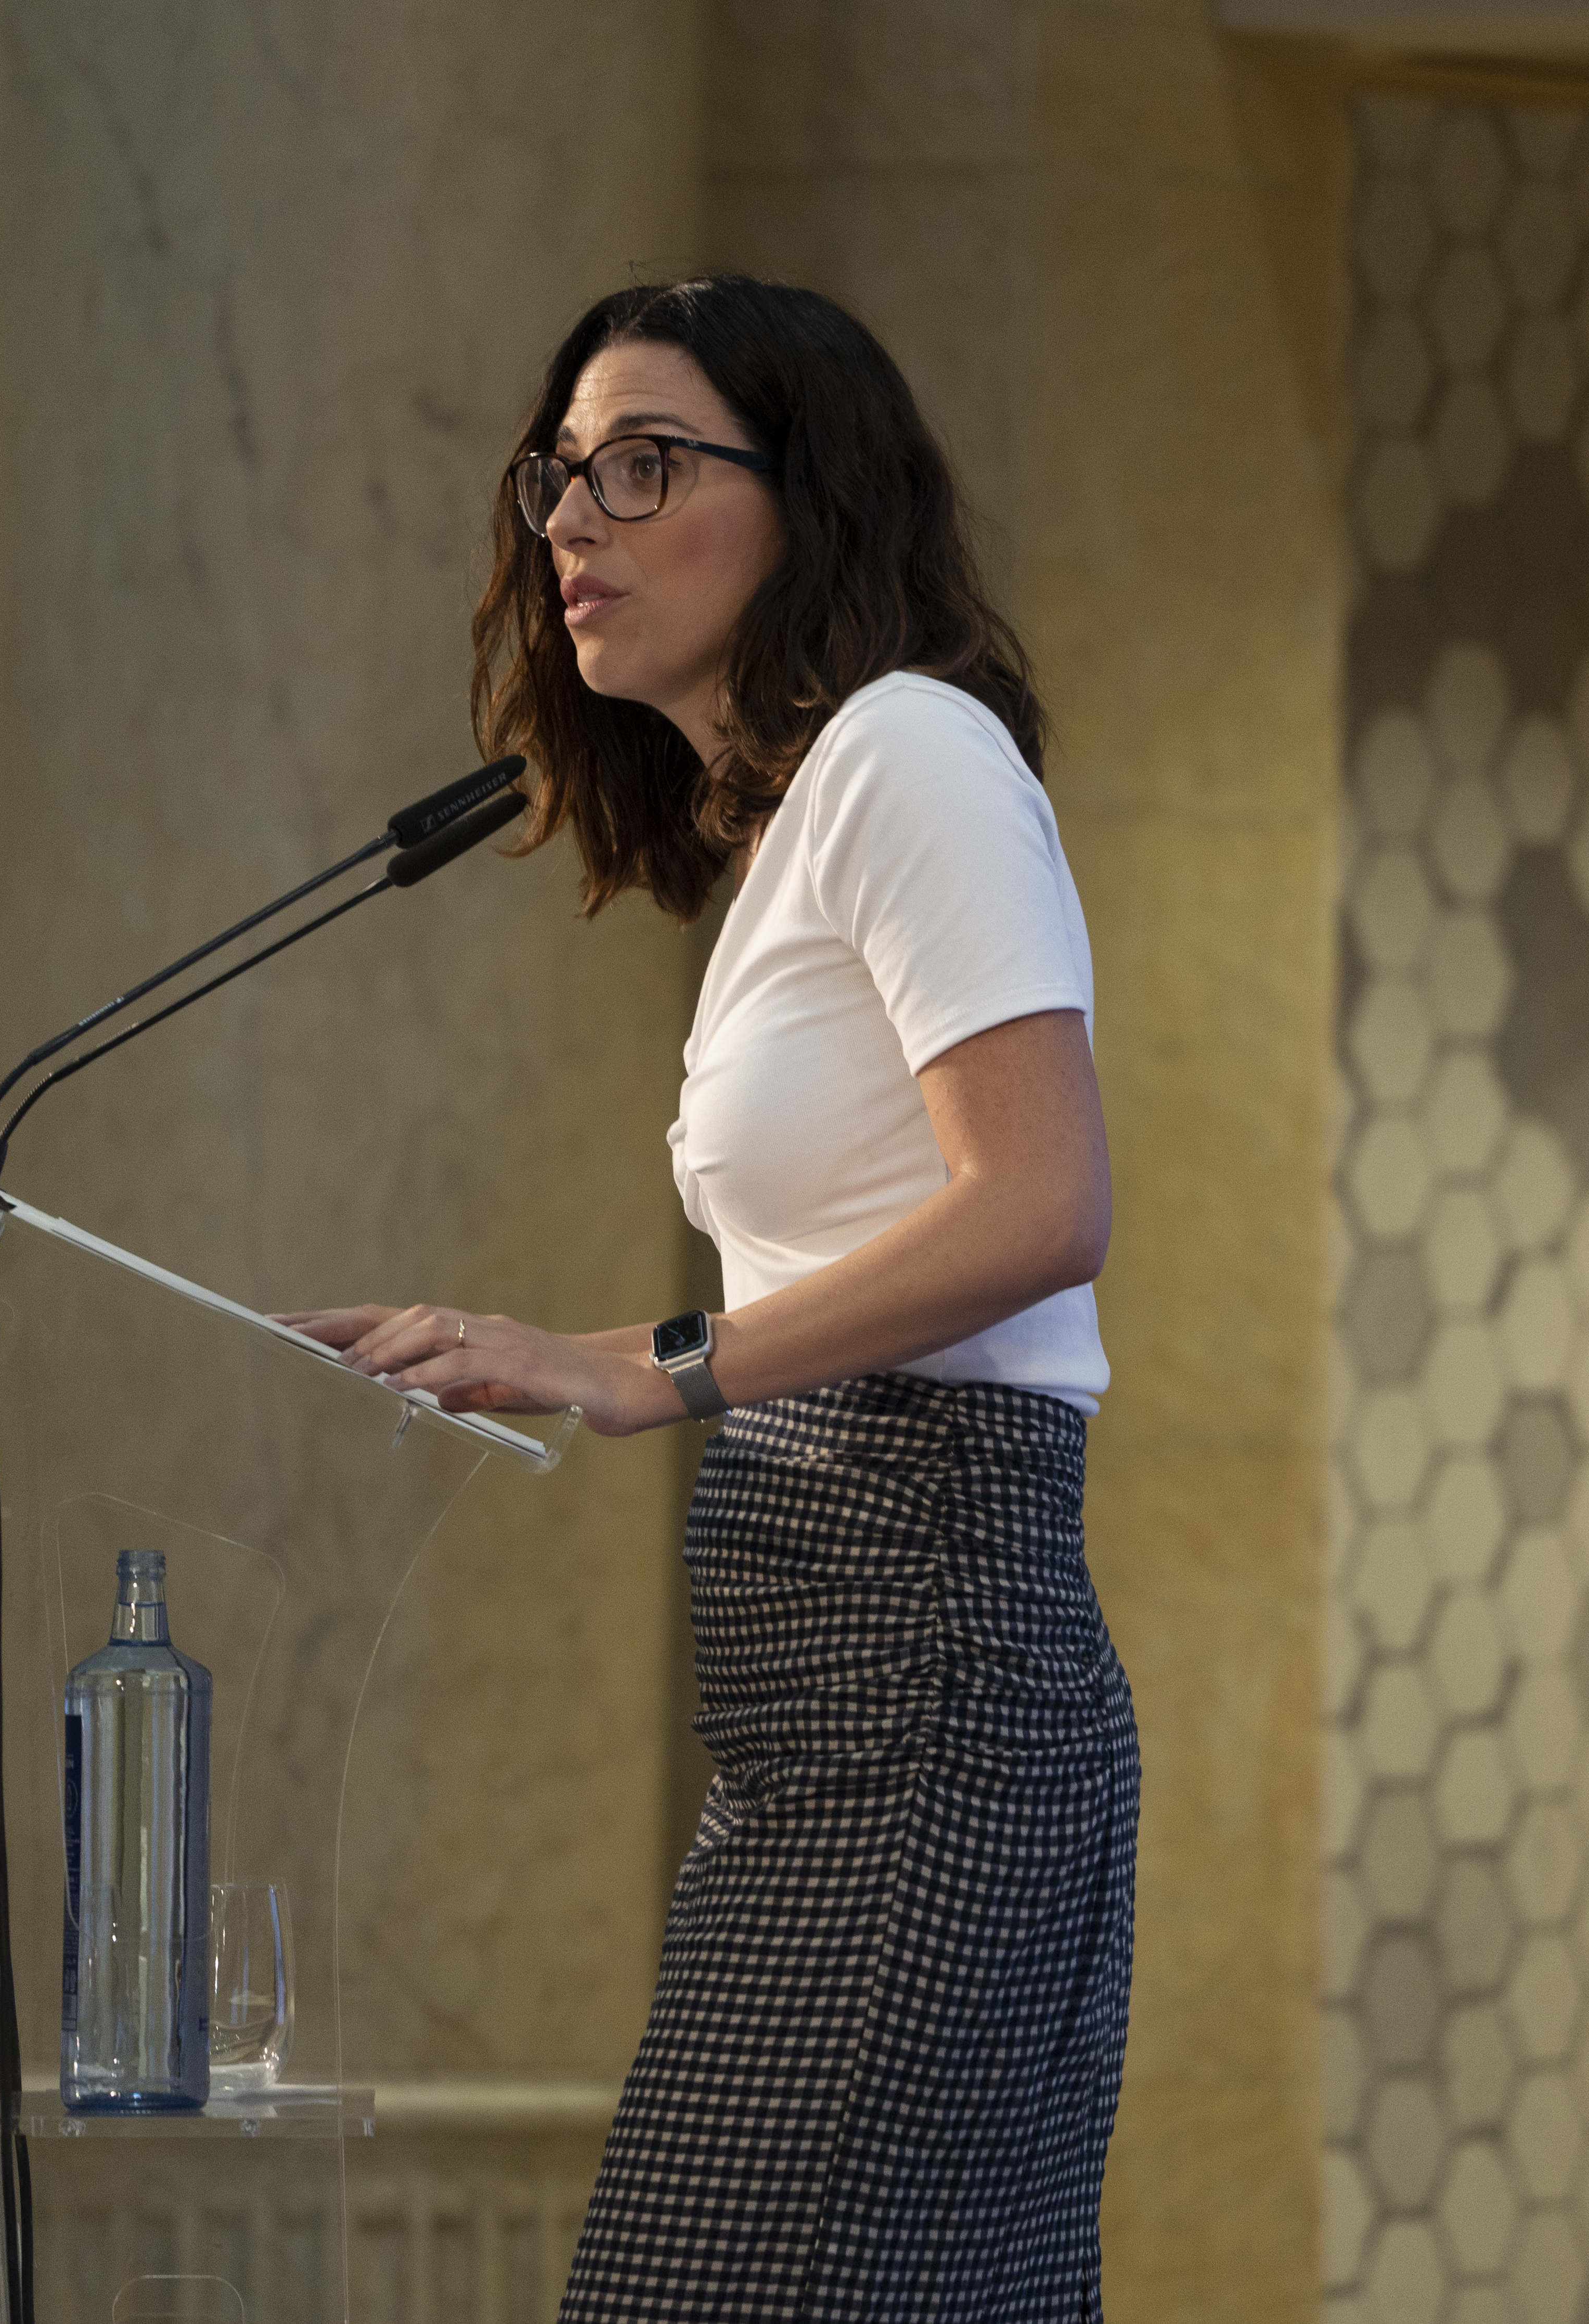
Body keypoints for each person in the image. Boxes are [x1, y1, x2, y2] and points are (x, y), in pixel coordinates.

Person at [276, 276, 1136, 2322]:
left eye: (644, 466)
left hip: (928, 1664)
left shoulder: (908, 752)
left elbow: (1039, 1199)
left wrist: (642, 1361)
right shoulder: (795, 822)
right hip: (833, 1700)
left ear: (809, 498)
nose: (571, 521)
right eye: (556, 475)